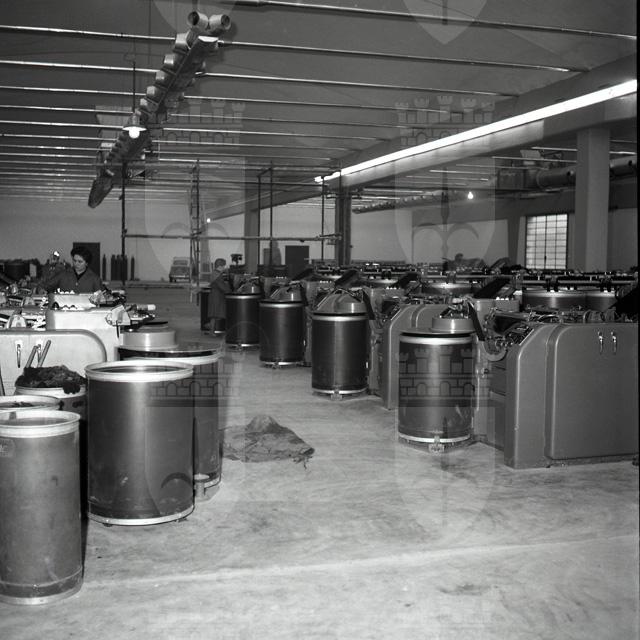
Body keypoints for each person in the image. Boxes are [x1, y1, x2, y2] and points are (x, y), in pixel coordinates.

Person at [207, 257, 232, 334]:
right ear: (220, 266)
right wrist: (230, 291)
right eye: (223, 266)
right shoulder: (217, 275)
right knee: (216, 314)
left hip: (214, 294)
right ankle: (211, 329)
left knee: (214, 315)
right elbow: (222, 286)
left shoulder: (214, 273)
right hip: (217, 296)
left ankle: (211, 328)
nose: (224, 268)